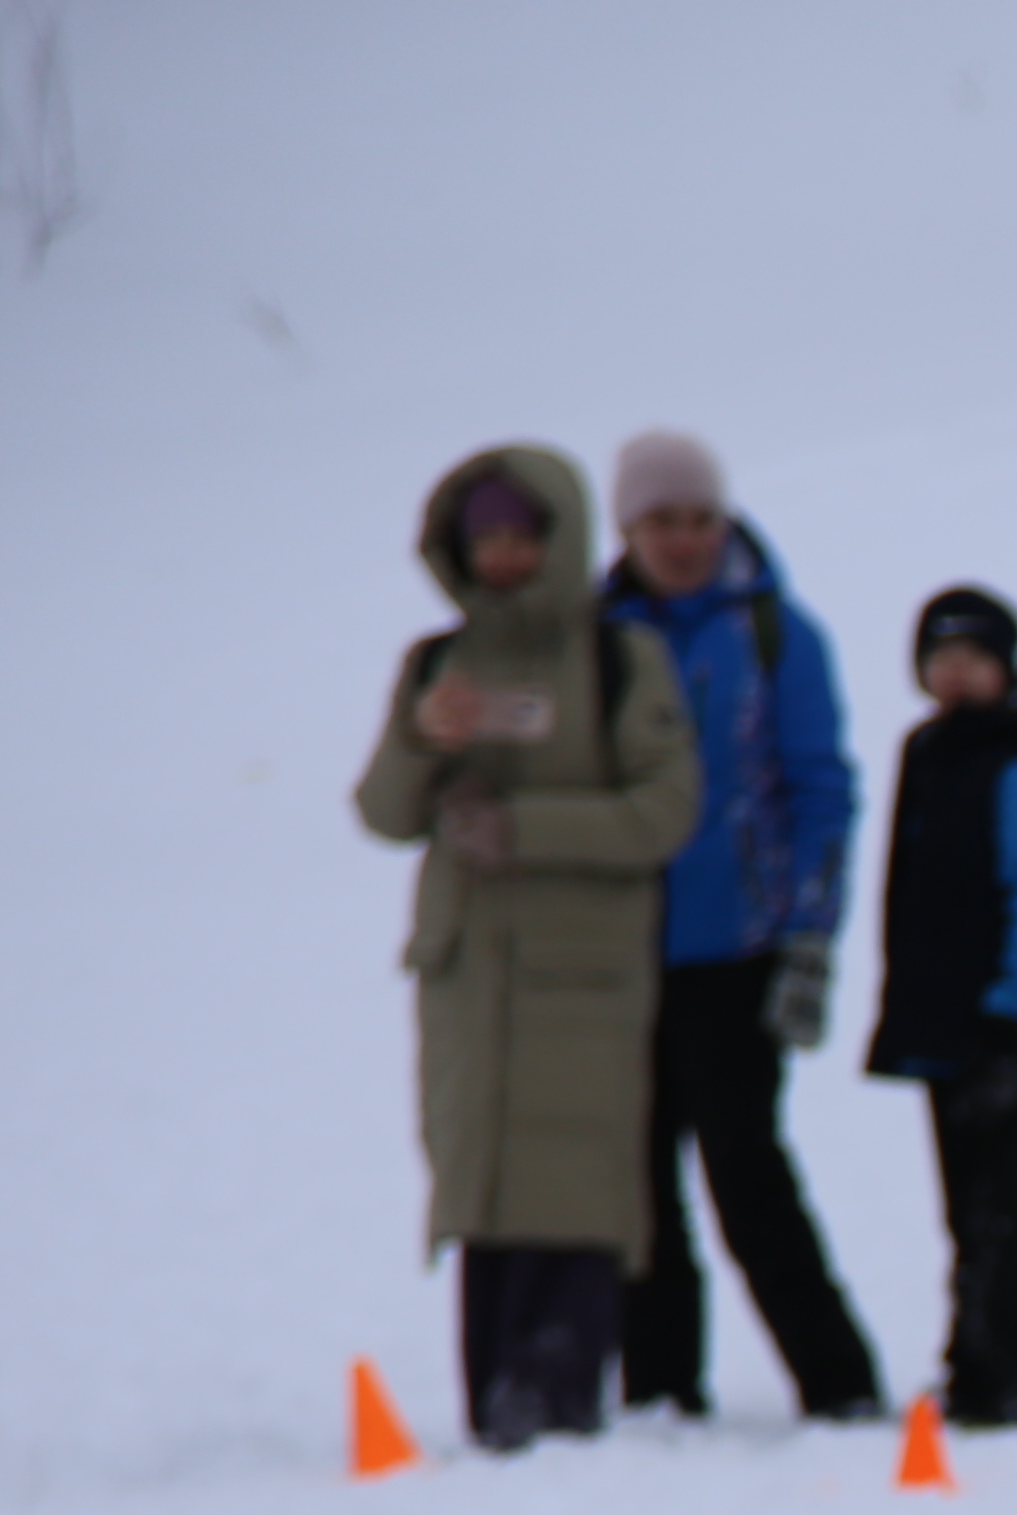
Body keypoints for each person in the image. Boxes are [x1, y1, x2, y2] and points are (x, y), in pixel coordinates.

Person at [349, 448, 698, 1449]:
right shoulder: (435, 665)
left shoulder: (622, 660)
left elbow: (666, 808)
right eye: (486, 539)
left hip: (582, 976)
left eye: (521, 537)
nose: (503, 558)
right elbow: (381, 813)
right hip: (469, 982)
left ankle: (554, 1410)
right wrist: (423, 740)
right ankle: (494, 1408)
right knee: (486, 1194)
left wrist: (527, 829)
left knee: (574, 1190)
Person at [602, 428, 885, 1423]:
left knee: (746, 1174)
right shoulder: (595, 641)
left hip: (741, 953)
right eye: (660, 520)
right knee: (633, 1186)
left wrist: (810, 938)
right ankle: (660, 1391)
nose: (683, 539)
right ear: (626, 528)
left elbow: (823, 789)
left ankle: (840, 1386)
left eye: (699, 518)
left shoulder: (776, 633)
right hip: (618, 959)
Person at [862, 587, 1017, 1428]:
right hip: (947, 1027)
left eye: (974, 657)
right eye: (941, 657)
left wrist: (1011, 1016)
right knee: (965, 1206)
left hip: (1000, 1031)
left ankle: (1008, 1372)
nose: (956, 674)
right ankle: (973, 1357)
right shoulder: (932, 751)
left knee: (996, 1205)